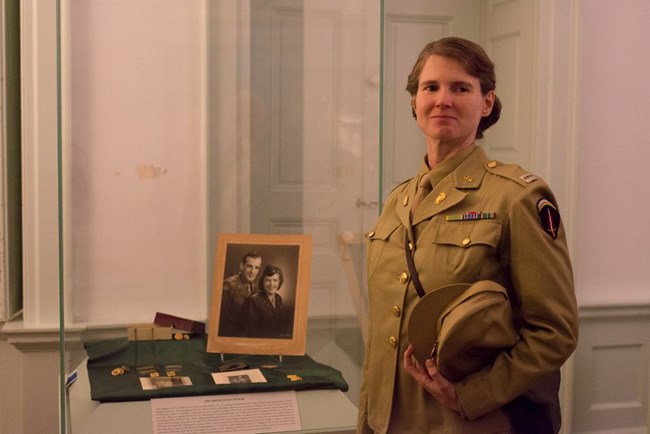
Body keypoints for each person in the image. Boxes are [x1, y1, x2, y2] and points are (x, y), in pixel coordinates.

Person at [357, 37, 578, 433]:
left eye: (460, 88)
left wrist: (472, 395)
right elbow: (381, 338)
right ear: (414, 102)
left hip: (468, 422)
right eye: (431, 87)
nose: (443, 99)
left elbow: (554, 332)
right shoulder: (398, 201)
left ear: (486, 102)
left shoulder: (517, 196)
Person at [242, 264, 293, 339]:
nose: (271, 284)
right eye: (268, 280)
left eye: (275, 280)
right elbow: (249, 331)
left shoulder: (278, 298)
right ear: (262, 281)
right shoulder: (253, 300)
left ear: (280, 282)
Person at [218, 252, 263, 337]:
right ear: (242, 266)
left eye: (256, 268)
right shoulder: (229, 285)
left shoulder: (253, 287)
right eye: (249, 266)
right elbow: (223, 321)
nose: (253, 271)